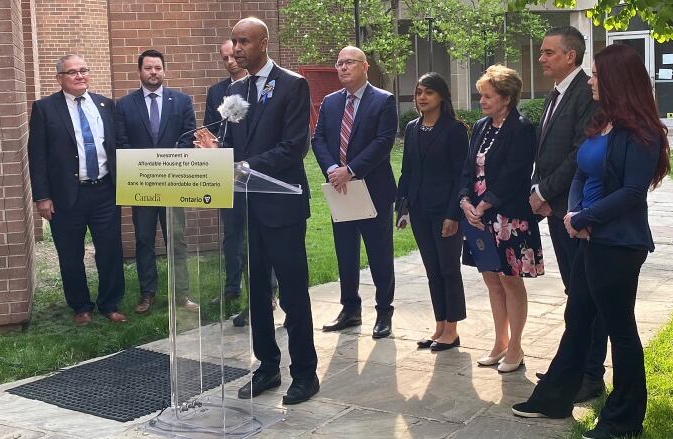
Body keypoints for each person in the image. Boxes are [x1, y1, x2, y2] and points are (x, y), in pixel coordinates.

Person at [513, 43, 670, 439]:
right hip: (588, 237)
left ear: (617, 80)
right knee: (578, 318)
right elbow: (582, 172)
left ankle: (623, 420)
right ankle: (554, 398)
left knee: (620, 330)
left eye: (598, 75)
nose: (592, 81)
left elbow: (633, 192)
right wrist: (574, 214)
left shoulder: (643, 133)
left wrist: (585, 217)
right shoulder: (603, 123)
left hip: (618, 245)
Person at [194, 17, 319, 405]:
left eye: (244, 41)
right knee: (258, 290)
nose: (237, 48)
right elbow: (236, 143)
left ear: (264, 43)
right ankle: (267, 366)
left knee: (293, 292)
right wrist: (217, 150)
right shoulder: (235, 90)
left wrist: (242, 167)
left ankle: (305, 373)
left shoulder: (293, 85)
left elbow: (295, 146)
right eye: (234, 41)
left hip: (281, 206)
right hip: (247, 204)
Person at [531, 26, 605, 402]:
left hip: (574, 210)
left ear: (570, 56)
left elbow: (579, 152)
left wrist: (546, 191)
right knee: (573, 292)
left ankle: (591, 375)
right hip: (555, 209)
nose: (541, 58)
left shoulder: (586, 94)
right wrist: (536, 187)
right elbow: (544, 150)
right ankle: (572, 364)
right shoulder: (557, 93)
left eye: (548, 53)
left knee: (585, 295)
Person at [27, 54, 126, 325]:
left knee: (109, 250)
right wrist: (42, 197)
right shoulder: (45, 108)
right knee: (71, 253)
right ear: (60, 78)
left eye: (84, 70)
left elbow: (118, 147)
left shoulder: (105, 104)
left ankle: (110, 303)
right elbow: (37, 156)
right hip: (67, 195)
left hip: (105, 190)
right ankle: (81, 306)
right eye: (72, 72)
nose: (80, 76)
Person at [458, 65, 543, 373]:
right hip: (478, 217)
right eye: (481, 95)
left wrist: (485, 205)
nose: (482, 101)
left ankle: (516, 346)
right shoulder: (480, 126)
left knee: (510, 281)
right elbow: (468, 169)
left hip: (507, 217)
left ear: (507, 98)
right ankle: (499, 342)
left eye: (488, 96)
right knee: (491, 280)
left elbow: (515, 175)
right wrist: (465, 201)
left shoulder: (521, 128)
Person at [311, 46, 398, 339]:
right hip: (341, 190)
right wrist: (333, 169)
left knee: (379, 254)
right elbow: (318, 138)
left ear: (365, 67)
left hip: (373, 190)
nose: (343, 67)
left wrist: (351, 170)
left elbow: (383, 142)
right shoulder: (330, 102)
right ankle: (350, 309)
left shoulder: (383, 101)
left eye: (349, 62)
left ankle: (384, 311)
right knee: (346, 253)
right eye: (339, 63)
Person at [114, 49, 199, 314]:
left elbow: (188, 137)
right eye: (148, 68)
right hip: (143, 186)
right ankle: (147, 294)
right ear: (139, 71)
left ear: (164, 71)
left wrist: (167, 163)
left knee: (177, 239)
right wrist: (144, 169)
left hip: (174, 183)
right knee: (144, 239)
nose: (153, 72)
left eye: (158, 68)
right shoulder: (125, 105)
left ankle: (181, 294)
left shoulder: (182, 101)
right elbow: (122, 142)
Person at [203, 40, 278, 327]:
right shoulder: (219, 92)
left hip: (256, 177)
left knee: (256, 240)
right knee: (234, 236)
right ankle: (235, 288)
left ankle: (266, 295)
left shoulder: (266, 89)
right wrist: (211, 146)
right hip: (228, 177)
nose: (231, 60)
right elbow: (216, 132)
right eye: (225, 57)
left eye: (234, 54)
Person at [396, 72, 468, 351]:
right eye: (418, 92)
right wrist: (401, 207)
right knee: (432, 270)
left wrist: (453, 214)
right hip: (419, 210)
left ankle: (453, 328)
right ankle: (440, 326)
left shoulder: (454, 129)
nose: (422, 98)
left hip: (445, 211)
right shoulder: (413, 128)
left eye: (428, 92)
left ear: (441, 96)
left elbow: (460, 175)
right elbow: (407, 171)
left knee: (449, 269)